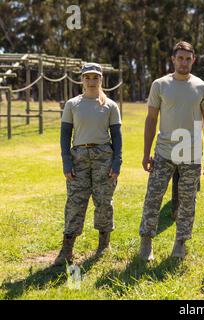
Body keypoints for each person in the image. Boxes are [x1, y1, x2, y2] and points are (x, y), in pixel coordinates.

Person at [139, 41, 204, 261]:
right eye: (180, 58)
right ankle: (146, 243)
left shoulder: (202, 87)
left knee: (187, 201)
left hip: (191, 155)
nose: (184, 62)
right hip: (163, 152)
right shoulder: (160, 85)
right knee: (153, 197)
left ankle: (180, 243)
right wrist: (146, 153)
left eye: (188, 58)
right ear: (173, 59)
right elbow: (151, 119)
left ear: (194, 60)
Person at [54, 62, 122, 266]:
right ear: (81, 79)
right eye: (87, 77)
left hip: (104, 156)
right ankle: (67, 249)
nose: (91, 81)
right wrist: (66, 162)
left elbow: (117, 136)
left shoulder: (110, 105)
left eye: (95, 77)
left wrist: (117, 162)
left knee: (103, 201)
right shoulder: (73, 104)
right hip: (79, 157)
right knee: (75, 202)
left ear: (101, 79)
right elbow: (65, 134)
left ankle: (103, 245)